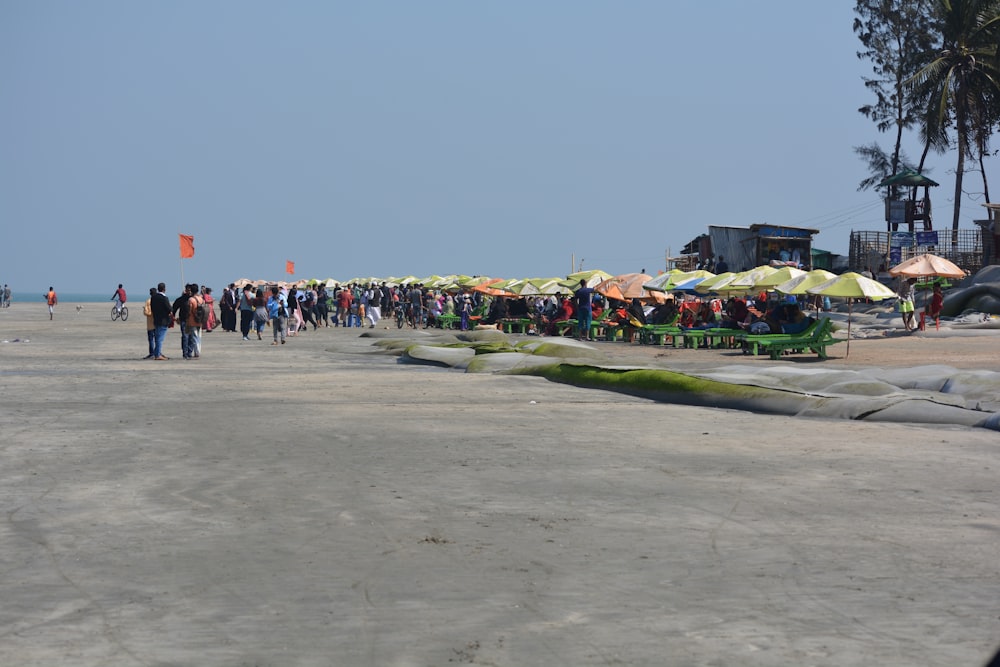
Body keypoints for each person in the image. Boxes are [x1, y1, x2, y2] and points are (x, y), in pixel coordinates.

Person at [150, 282, 172, 360]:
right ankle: (157, 355)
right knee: (160, 338)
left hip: (156, 319)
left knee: (157, 337)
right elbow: (169, 308)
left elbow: (152, 308)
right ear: (164, 289)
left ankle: (157, 353)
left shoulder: (153, 297)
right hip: (163, 320)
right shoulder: (164, 298)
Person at [142, 287, 157, 359]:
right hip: (157, 324)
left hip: (150, 324)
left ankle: (152, 353)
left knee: (151, 339)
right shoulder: (158, 300)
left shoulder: (148, 301)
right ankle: (157, 352)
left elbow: (146, 313)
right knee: (157, 339)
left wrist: (145, 309)